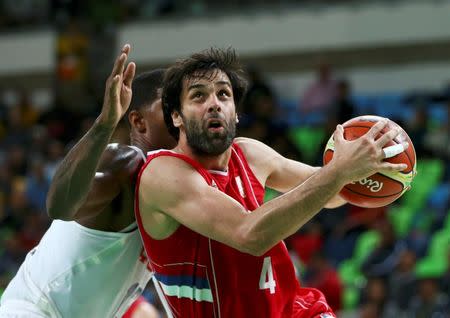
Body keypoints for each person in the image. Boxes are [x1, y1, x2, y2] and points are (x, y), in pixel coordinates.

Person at [135, 47, 408, 317]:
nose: (214, 103)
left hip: (297, 311)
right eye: (198, 96)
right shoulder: (163, 173)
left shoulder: (251, 154)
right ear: (176, 116)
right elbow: (249, 234)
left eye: (223, 94)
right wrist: (339, 172)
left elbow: (334, 194)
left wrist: (369, 172)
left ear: (236, 112)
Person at [0, 45, 175, 317]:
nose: (180, 116)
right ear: (138, 121)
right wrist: (104, 125)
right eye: (170, 107)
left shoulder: (178, 183)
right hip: (36, 310)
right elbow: (59, 206)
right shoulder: (127, 161)